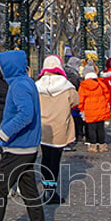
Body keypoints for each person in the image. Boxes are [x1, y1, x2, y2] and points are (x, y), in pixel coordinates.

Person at [0, 50, 45, 221]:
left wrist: (4, 133)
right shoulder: (26, 82)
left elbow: (25, 114)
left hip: (18, 147)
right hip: (27, 147)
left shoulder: (19, 85)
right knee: (29, 191)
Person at [36, 56, 78, 204]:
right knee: (55, 161)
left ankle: (46, 188)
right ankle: (51, 192)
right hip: (60, 128)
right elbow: (75, 101)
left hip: (43, 127)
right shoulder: (66, 86)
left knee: (45, 159)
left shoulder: (37, 85)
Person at [77, 67, 110, 152]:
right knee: (100, 128)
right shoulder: (100, 83)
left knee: (91, 128)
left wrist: (81, 109)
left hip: (89, 109)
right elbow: (107, 94)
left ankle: (93, 145)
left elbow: (80, 99)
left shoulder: (83, 85)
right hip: (101, 108)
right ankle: (102, 145)